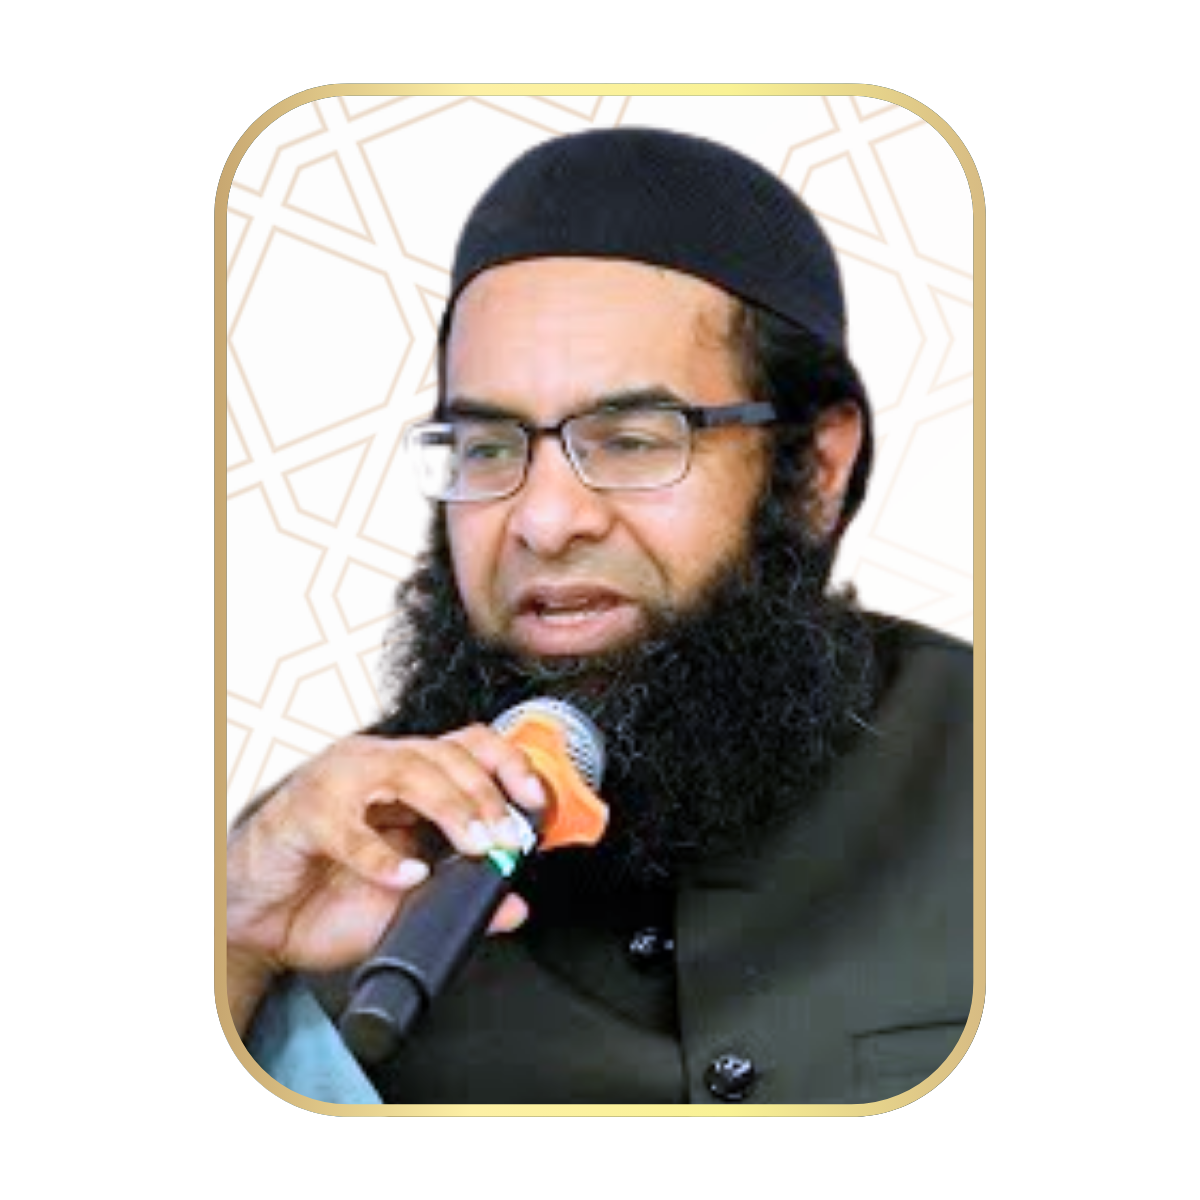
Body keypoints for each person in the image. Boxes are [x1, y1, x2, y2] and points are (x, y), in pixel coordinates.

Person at [225, 127, 974, 1105]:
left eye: (631, 439)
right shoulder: (331, 859)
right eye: (488, 448)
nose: (543, 520)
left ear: (814, 469)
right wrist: (236, 946)